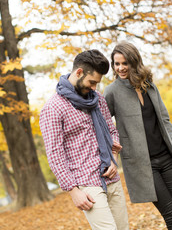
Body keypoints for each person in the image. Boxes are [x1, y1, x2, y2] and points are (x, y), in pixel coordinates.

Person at [104, 41, 172, 230]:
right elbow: (103, 124)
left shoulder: (149, 85)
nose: (120, 68)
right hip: (143, 166)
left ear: (134, 62)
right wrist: (111, 151)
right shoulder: (112, 92)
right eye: (116, 64)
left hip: (167, 158)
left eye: (124, 63)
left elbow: (165, 120)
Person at [39, 49, 129, 230]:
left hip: (111, 176)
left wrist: (114, 158)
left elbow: (112, 131)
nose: (94, 88)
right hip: (87, 182)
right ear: (79, 72)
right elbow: (55, 154)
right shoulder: (53, 108)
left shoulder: (98, 100)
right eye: (92, 82)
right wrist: (73, 191)